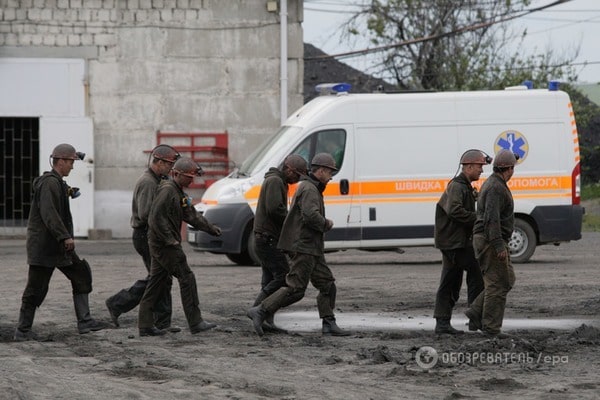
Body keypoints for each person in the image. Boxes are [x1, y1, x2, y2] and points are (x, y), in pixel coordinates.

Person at [246, 153, 350, 337]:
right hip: (304, 247)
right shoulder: (309, 189)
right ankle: (261, 310)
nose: (331, 176)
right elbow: (310, 216)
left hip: (312, 247)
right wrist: (326, 223)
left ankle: (329, 323)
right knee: (295, 289)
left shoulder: (312, 188)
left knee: (327, 284)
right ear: (321, 171)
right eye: (330, 172)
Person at [14, 143, 107, 340]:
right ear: (61, 161)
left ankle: (85, 321)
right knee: (36, 288)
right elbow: (49, 214)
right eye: (71, 162)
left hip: (57, 246)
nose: (73, 166)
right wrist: (64, 236)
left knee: (81, 274)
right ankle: (22, 331)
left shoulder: (57, 183)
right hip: (45, 246)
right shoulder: (49, 183)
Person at [138, 157, 222, 336]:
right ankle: (196, 322)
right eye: (188, 177)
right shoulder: (168, 191)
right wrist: (170, 240)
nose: (192, 181)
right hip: (164, 245)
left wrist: (210, 229)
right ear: (176, 174)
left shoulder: (178, 191)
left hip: (162, 244)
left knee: (156, 282)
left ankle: (145, 325)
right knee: (187, 278)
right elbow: (155, 218)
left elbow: (191, 215)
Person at [105, 144, 180, 331]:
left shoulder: (158, 180)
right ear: (159, 162)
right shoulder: (148, 182)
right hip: (146, 235)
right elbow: (147, 214)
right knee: (159, 278)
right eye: (169, 164)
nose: (171, 168)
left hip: (150, 234)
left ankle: (160, 321)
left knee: (161, 277)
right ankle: (118, 304)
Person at [251, 154, 308, 333]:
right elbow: (275, 209)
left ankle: (265, 320)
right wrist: (294, 220)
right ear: (289, 170)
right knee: (282, 276)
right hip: (267, 238)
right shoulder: (276, 181)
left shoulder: (276, 180)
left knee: (269, 278)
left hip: (265, 237)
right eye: (297, 175)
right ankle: (258, 311)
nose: (297, 180)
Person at [432, 149, 488, 334]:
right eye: (479, 166)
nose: (481, 170)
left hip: (452, 242)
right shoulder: (457, 186)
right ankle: (475, 317)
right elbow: (455, 211)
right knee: (476, 273)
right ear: (468, 166)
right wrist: (479, 218)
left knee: (450, 281)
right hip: (454, 243)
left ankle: (442, 323)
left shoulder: (464, 186)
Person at [464, 149, 518, 337]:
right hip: (490, 240)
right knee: (498, 284)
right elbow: (491, 218)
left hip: (490, 239)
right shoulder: (496, 187)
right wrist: (497, 244)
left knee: (507, 279)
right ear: (509, 169)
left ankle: (475, 311)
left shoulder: (495, 184)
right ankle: (491, 328)